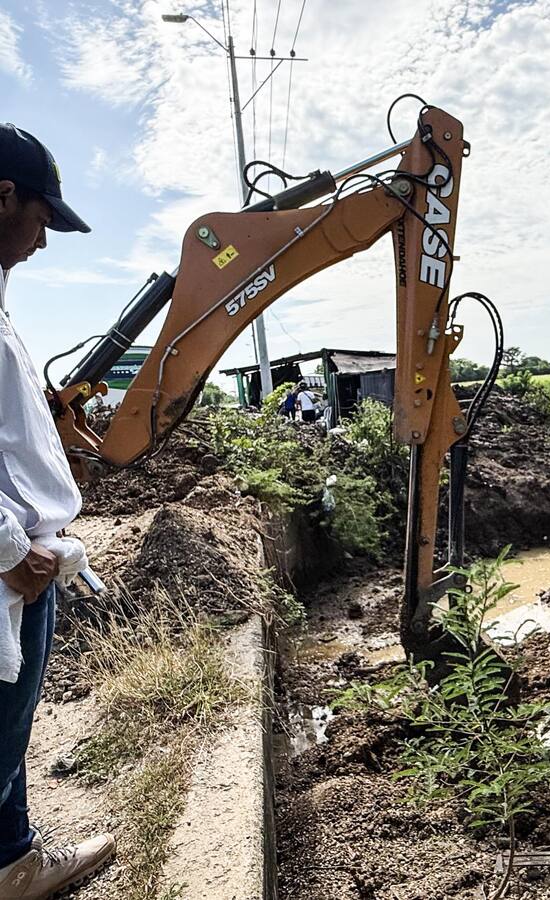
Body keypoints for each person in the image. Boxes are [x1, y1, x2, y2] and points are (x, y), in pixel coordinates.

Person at [0, 124, 116, 898]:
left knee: (10, 733)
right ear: (2, 195)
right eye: (42, 219)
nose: (45, 242)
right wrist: (11, 548)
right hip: (14, 566)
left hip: (25, 562)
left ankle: (12, 860)